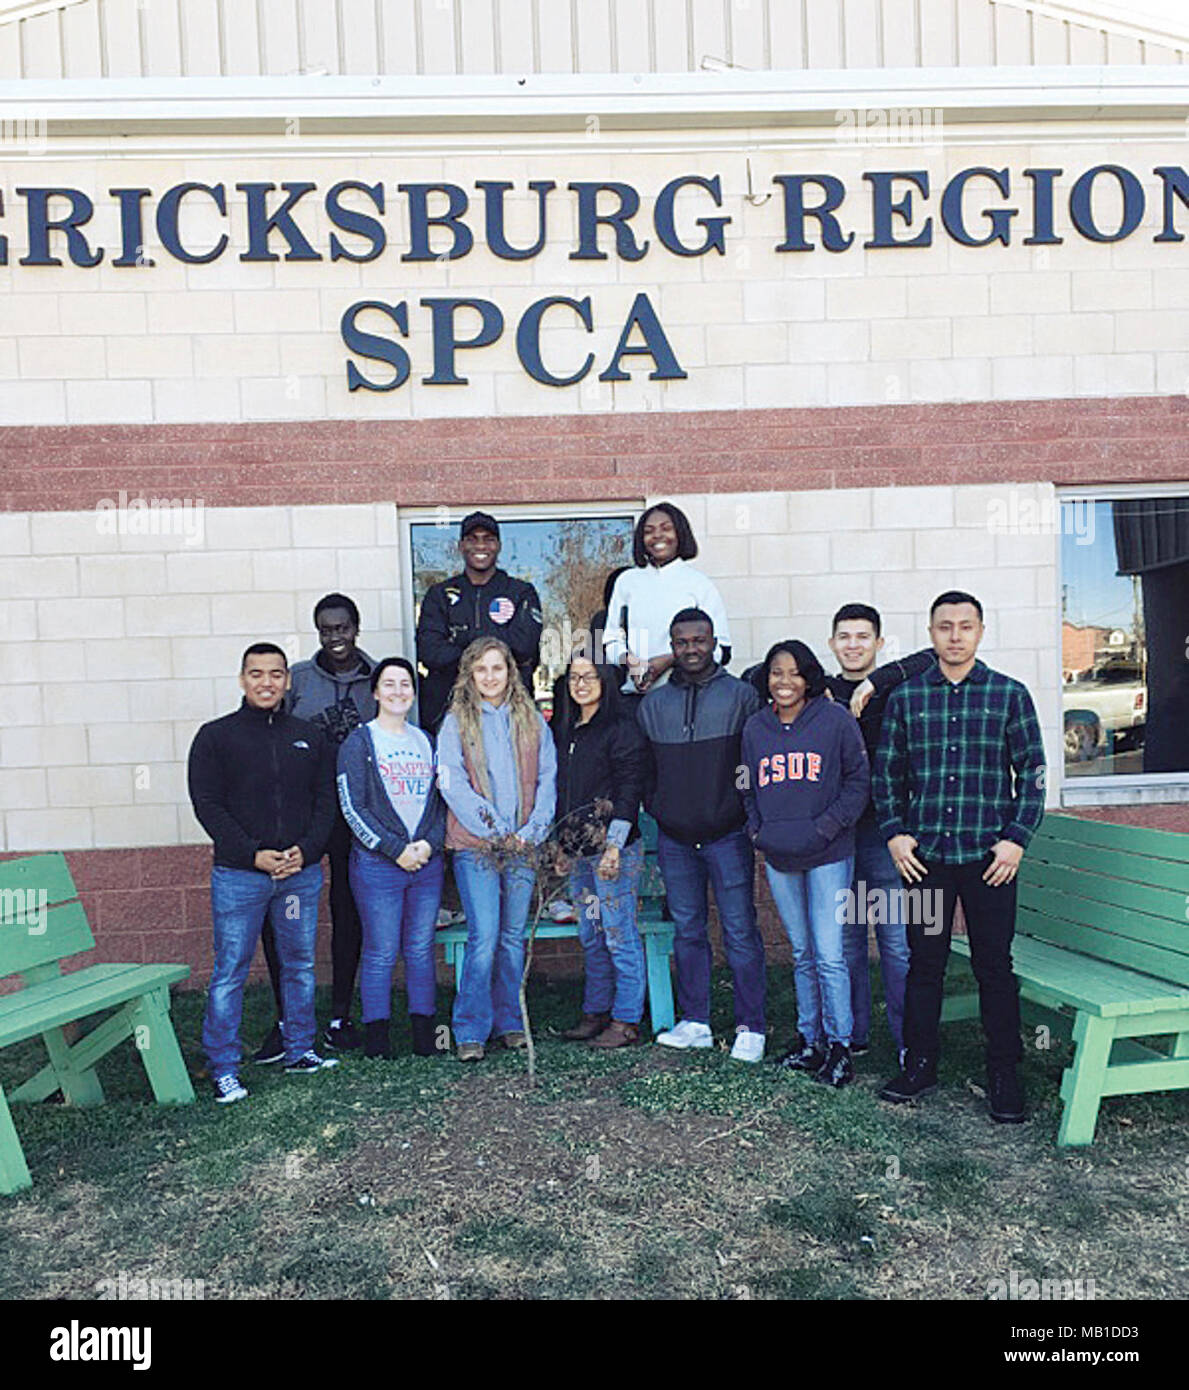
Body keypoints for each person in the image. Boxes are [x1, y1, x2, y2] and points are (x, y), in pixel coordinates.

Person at [873, 591, 1046, 1123]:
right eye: (944, 626)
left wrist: (1016, 837)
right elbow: (887, 775)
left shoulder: (1008, 695)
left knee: (995, 966)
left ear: (980, 631)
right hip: (926, 859)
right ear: (931, 633)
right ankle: (920, 1063)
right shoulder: (906, 699)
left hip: (990, 857)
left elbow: (1034, 774)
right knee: (925, 964)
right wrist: (896, 834)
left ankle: (1003, 1072)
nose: (954, 635)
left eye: (964, 626)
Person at [187, 643, 339, 1103]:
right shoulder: (215, 737)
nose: (267, 682)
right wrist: (252, 854)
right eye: (257, 674)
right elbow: (207, 805)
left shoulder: (308, 736)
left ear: (287, 681)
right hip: (241, 877)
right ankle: (224, 1067)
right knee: (231, 969)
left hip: (298, 875)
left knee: (299, 964)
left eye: (276, 674)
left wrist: (307, 851)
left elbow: (325, 802)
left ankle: (299, 1050)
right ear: (242, 679)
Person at [637, 608, 767, 1060]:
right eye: (682, 642)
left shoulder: (741, 696)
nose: (691, 649)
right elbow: (646, 772)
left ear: (714, 642)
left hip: (728, 835)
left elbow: (752, 764)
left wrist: (741, 808)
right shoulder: (653, 704)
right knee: (688, 930)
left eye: (699, 640)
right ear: (671, 647)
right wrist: (661, 808)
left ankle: (752, 1026)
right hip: (675, 839)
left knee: (739, 929)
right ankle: (696, 1022)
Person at [254, 593, 377, 1063]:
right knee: (283, 910)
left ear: (356, 626)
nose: (335, 637)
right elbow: (265, 734)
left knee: (348, 910)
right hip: (303, 813)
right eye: (326, 629)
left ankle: (341, 1016)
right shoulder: (299, 680)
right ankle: (288, 1018)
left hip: (355, 812)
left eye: (342, 627)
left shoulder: (375, 678)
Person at [742, 640, 870, 1088]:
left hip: (828, 853)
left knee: (829, 954)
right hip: (779, 853)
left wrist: (827, 826)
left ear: (809, 676)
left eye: (794, 672)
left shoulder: (834, 720)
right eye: (777, 672)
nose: (784, 681)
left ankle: (840, 1047)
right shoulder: (756, 728)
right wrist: (757, 828)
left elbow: (858, 781)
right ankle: (809, 1041)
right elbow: (745, 783)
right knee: (801, 953)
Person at [437, 636, 557, 1060]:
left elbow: (547, 779)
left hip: (524, 844)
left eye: (498, 668)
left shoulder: (531, 720)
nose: (490, 677)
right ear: (470, 675)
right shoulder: (456, 721)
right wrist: (495, 829)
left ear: (511, 672)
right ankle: (470, 1027)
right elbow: (451, 782)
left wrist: (532, 830)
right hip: (478, 846)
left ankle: (510, 1021)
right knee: (484, 936)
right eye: (481, 669)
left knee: (511, 938)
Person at [826, 603, 934, 1061]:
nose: (853, 645)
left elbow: (931, 655)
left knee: (894, 941)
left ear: (878, 642)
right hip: (839, 834)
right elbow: (760, 673)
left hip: (886, 832)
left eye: (862, 636)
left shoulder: (897, 688)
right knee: (849, 940)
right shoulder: (823, 692)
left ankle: (908, 1039)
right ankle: (855, 1034)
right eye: (844, 637)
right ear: (832, 644)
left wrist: (876, 681)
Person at [336, 657, 446, 1060]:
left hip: (426, 863)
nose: (398, 691)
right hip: (378, 866)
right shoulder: (359, 743)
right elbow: (352, 807)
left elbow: (440, 804)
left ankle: (424, 1035)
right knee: (381, 950)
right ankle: (378, 1040)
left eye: (405, 684)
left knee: (419, 947)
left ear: (413, 694)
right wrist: (394, 849)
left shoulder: (427, 742)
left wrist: (428, 846)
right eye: (390, 684)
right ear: (376, 692)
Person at [553, 656, 649, 1048]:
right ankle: (596, 1012)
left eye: (589, 677)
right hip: (579, 854)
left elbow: (629, 789)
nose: (581, 684)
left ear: (605, 682)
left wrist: (614, 844)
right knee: (591, 933)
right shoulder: (566, 730)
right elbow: (562, 793)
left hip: (614, 853)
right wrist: (561, 844)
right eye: (574, 678)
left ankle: (625, 1020)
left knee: (617, 934)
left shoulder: (621, 729)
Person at [415, 511, 544, 733]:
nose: (480, 546)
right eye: (473, 539)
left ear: (499, 546)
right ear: (461, 546)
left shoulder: (520, 592)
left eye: (488, 539)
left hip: (510, 716)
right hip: (450, 714)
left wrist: (462, 639)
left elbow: (524, 646)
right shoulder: (440, 594)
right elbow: (430, 651)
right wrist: (496, 644)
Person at [603, 502, 732, 698]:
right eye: (649, 531)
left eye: (666, 528)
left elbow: (722, 651)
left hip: (686, 695)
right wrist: (630, 662)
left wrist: (671, 659)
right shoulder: (626, 582)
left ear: (680, 533)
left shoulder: (699, 584)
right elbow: (610, 639)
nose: (657, 536)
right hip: (635, 696)